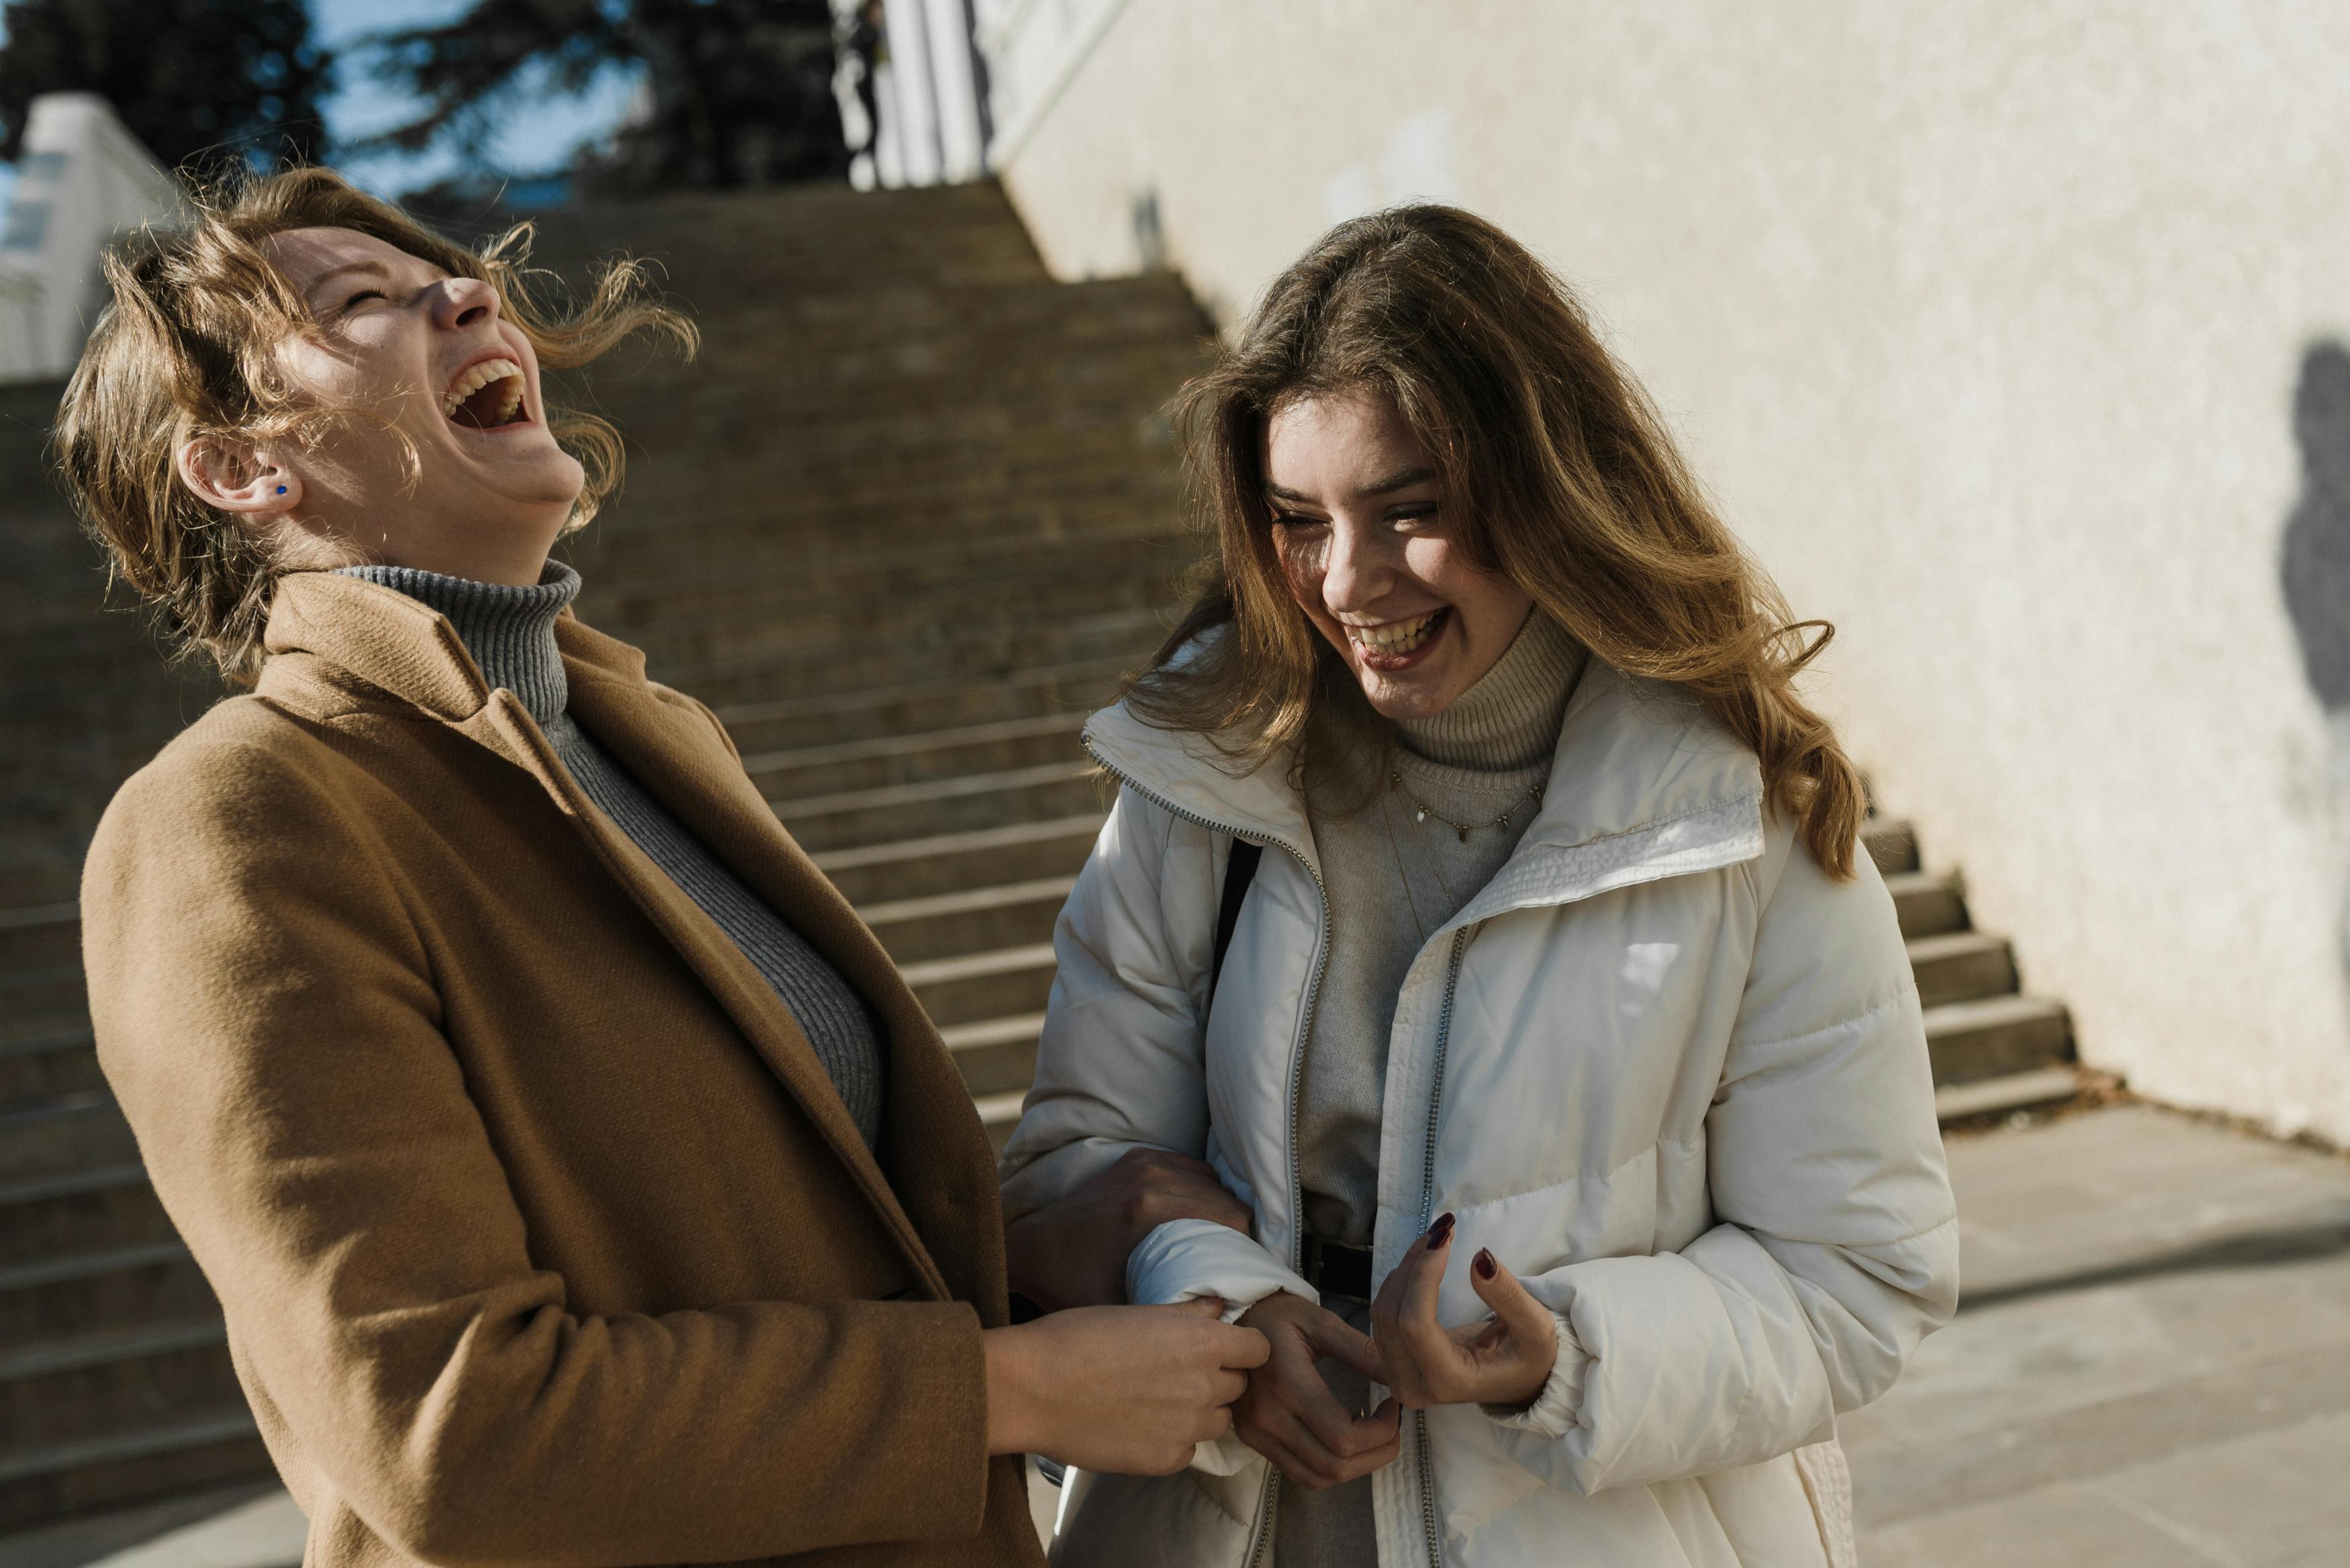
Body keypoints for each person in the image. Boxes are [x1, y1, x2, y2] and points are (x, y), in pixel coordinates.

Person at [66, 166, 1266, 1568]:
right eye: (364, 302)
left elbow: (743, 1245)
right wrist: (1011, 1387)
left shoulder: (646, 734)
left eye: (452, 277)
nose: (467, 292)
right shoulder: (235, 820)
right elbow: (457, 1429)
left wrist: (1027, 1257)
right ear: (240, 465)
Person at [998, 205, 1959, 1567]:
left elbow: (1859, 1275)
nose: (1345, 580)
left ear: (1543, 482)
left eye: (1408, 511)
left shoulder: (1737, 810)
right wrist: (1225, 1307)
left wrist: (1563, 1356)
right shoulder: (1196, 778)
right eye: (1296, 520)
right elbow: (1068, 1176)